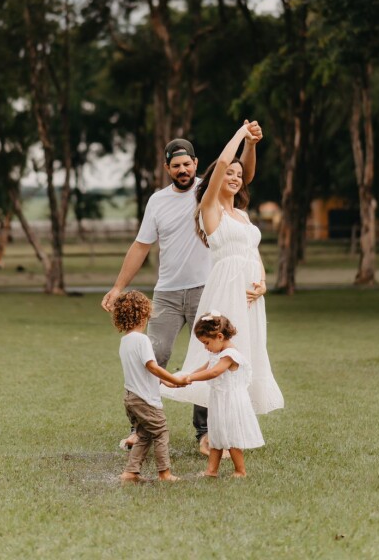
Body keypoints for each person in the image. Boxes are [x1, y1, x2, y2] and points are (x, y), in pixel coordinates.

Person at [101, 122, 262, 454]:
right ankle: (140, 428)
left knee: (209, 355)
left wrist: (249, 143)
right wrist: (118, 287)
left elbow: (241, 175)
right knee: (154, 353)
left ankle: (205, 431)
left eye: (187, 163)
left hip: (209, 289)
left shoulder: (210, 191)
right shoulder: (157, 202)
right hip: (168, 294)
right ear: (167, 169)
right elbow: (141, 246)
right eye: (176, 165)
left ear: (196, 163)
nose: (183, 169)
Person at [161, 122, 284, 415]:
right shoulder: (209, 208)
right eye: (229, 173)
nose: (235, 177)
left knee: (247, 354)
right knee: (227, 353)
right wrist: (242, 134)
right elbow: (225, 162)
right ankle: (218, 430)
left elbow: (253, 253)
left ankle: (237, 424)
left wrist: (263, 282)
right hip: (226, 290)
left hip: (252, 296)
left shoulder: (241, 214)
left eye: (239, 176)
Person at [112, 290, 190, 484]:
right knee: (161, 432)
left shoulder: (125, 341)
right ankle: (165, 474)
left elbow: (142, 371)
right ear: (145, 314)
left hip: (131, 398)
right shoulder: (143, 340)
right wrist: (176, 379)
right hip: (145, 399)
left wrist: (164, 381)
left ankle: (131, 473)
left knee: (144, 434)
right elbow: (152, 366)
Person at [182, 311, 264, 478]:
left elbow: (214, 372)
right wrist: (186, 378)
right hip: (219, 399)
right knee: (217, 434)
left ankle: (240, 471)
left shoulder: (230, 355)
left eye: (206, 343)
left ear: (219, 336)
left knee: (231, 436)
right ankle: (211, 471)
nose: (206, 347)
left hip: (231, 401)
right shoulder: (216, 353)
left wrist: (191, 377)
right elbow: (205, 368)